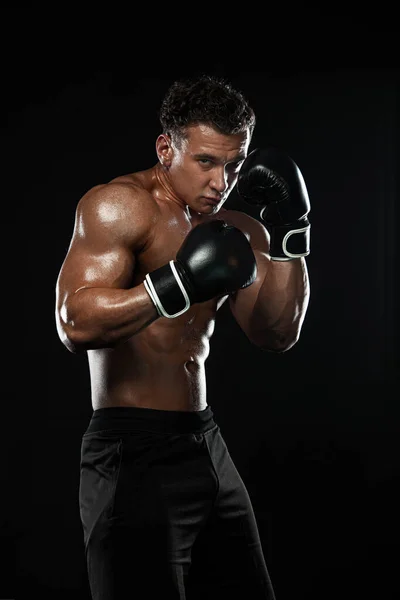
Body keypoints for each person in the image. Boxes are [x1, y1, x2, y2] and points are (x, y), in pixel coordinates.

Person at [55, 74, 310, 600]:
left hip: (204, 440)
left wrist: (290, 236)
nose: (222, 181)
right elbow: (74, 322)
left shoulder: (234, 226)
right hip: (131, 448)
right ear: (166, 148)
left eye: (234, 164)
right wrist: (176, 284)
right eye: (207, 162)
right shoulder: (120, 206)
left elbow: (277, 333)